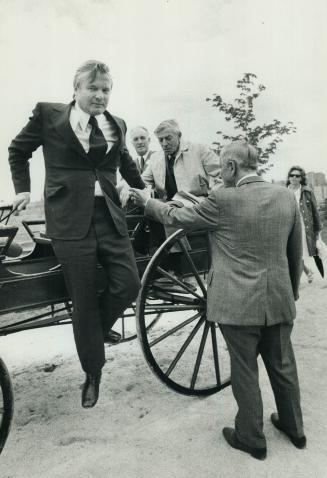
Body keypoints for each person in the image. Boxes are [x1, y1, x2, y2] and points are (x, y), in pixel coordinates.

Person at [130, 140, 306, 460]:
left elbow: (175, 215)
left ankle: (251, 437)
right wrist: (291, 291)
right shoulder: (284, 196)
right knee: (282, 365)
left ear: (231, 167)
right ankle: (294, 427)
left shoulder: (222, 199)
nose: (219, 174)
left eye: (221, 169)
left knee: (244, 369)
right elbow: (295, 251)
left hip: (237, 305)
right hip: (279, 299)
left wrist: (145, 201)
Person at [8, 60, 145, 408]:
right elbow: (18, 151)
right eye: (93, 89)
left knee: (129, 283)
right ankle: (93, 372)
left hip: (110, 217)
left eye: (106, 90)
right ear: (77, 89)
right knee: (82, 298)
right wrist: (22, 189)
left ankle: (93, 334)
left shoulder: (119, 124)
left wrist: (144, 189)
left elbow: (125, 161)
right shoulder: (48, 115)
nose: (100, 96)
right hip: (69, 220)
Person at [286, 166, 323, 283]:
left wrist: (317, 231)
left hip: (303, 225)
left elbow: (315, 212)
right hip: (289, 226)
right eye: (292, 175)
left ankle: (298, 279)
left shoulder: (307, 191)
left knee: (299, 252)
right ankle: (308, 271)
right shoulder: (284, 191)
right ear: (289, 177)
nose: (294, 178)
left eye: (297, 176)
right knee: (289, 252)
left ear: (301, 178)